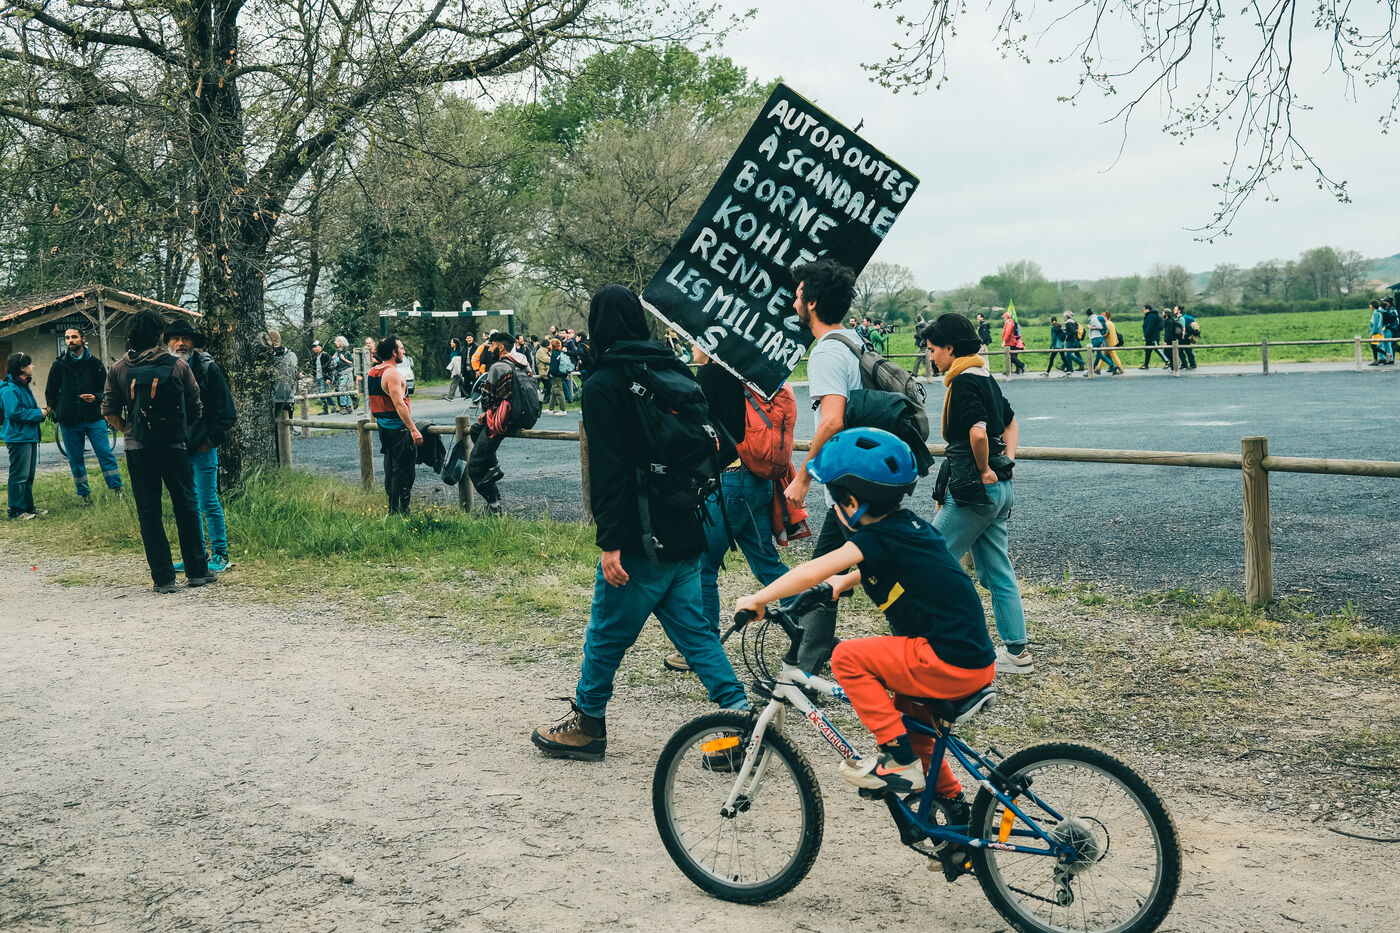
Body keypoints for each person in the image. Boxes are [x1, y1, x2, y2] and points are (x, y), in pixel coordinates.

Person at [531, 284, 749, 761]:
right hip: (687, 526)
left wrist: (611, 542)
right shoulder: (672, 369)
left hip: (640, 537)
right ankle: (740, 721)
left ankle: (588, 725)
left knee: (606, 633)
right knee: (696, 635)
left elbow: (609, 469)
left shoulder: (604, 384)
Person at [736, 427, 995, 799]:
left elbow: (813, 569)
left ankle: (898, 761)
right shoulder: (909, 527)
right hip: (969, 657)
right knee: (914, 729)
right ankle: (952, 810)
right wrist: (846, 581)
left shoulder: (875, 538)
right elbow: (904, 567)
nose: (833, 507)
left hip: (945, 660)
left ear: (852, 502)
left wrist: (759, 598)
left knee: (847, 657)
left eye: (834, 498)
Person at [665, 347, 795, 673]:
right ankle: (812, 627)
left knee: (703, 565)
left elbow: (698, 426)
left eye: (693, 341)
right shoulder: (745, 372)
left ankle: (702, 650)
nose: (690, 346)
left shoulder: (711, 373)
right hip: (756, 480)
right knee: (766, 562)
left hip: (729, 481)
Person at [923, 313, 1033, 674]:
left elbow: (978, 432)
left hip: (973, 490)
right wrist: (1007, 461)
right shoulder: (985, 376)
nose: (930, 357)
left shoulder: (964, 382)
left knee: (928, 561)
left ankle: (941, 646)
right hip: (1000, 490)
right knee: (996, 570)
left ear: (950, 348)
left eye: (933, 350)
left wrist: (985, 467)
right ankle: (1016, 652)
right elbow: (1010, 422)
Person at [783, 258, 862, 672]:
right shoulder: (853, 341)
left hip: (851, 486)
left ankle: (801, 668)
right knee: (824, 573)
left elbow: (832, 420)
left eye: (798, 295)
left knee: (881, 571)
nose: (794, 302)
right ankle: (804, 663)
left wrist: (803, 477)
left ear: (812, 303)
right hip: (857, 481)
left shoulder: (828, 352)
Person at [102, 310, 214, 592]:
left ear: (131, 335)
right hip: (173, 446)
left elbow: (108, 410)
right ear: (160, 335)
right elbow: (196, 407)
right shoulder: (178, 365)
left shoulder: (118, 369)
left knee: (149, 512)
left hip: (138, 448)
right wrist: (181, 431)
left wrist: (129, 429)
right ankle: (197, 571)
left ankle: (163, 579)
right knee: (186, 506)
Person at [165, 319, 236, 574]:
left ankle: (220, 554)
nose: (181, 343)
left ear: (193, 342)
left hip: (203, 446)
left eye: (185, 338)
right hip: (177, 448)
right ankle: (195, 555)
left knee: (207, 501)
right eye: (175, 339)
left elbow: (226, 412)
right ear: (168, 343)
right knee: (188, 505)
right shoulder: (164, 369)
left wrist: (210, 442)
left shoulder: (207, 368)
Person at [44, 327, 123, 502]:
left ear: (83, 339)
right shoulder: (58, 365)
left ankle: (117, 489)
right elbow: (50, 392)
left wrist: (96, 398)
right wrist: (56, 413)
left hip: (94, 418)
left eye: (74, 337)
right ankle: (84, 495)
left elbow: (106, 391)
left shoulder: (95, 364)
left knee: (105, 453)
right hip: (69, 420)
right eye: (67, 338)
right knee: (75, 459)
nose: (70, 340)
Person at [468, 331, 532, 513]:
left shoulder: (497, 367)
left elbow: (487, 397)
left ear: (501, 347)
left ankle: (494, 505)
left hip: (501, 421)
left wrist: (487, 413)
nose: (490, 349)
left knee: (474, 468)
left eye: (492, 346)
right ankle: (493, 466)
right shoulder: (524, 363)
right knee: (475, 430)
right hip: (521, 416)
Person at [366, 335, 423, 515]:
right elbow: (399, 404)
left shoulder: (372, 372)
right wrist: (413, 429)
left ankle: (393, 509)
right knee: (404, 470)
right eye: (401, 348)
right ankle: (401, 511)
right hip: (398, 428)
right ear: (393, 352)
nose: (403, 351)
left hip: (384, 427)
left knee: (391, 468)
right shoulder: (391, 374)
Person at [2, 352, 47, 519]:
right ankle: (16, 510)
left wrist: (39, 413)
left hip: (28, 435)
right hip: (18, 437)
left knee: (27, 475)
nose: (32, 366)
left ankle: (28, 507)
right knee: (19, 475)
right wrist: (38, 413)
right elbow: (13, 412)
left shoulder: (22, 385)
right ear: (22, 368)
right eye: (29, 364)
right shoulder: (9, 389)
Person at [268, 329, 299, 446]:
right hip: (289, 394)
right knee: (287, 422)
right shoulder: (291, 355)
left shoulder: (268, 357)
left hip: (275, 397)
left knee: (276, 428)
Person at [1088, 309, 1121, 375]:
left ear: (1106, 317)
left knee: (1112, 356)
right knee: (1101, 355)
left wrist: (1091, 328)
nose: (1102, 318)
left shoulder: (1107, 324)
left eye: (1103, 316)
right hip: (1109, 342)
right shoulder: (1111, 323)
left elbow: (1105, 333)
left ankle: (1119, 368)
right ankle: (1098, 368)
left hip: (1107, 343)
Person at [1139, 305, 1171, 369]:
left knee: (1157, 349)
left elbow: (1150, 327)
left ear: (1148, 309)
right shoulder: (1149, 315)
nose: (1144, 310)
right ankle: (1146, 364)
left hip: (1153, 337)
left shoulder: (1151, 316)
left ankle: (1167, 361)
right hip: (1150, 337)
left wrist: (1145, 336)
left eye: (1144, 309)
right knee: (1147, 350)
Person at [309, 339, 334, 414]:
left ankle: (325, 409)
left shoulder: (325, 356)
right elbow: (313, 368)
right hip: (317, 377)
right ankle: (333, 404)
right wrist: (314, 376)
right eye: (313, 347)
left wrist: (329, 378)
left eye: (315, 347)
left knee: (322, 392)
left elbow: (330, 367)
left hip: (324, 377)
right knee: (320, 393)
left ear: (320, 347)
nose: (314, 348)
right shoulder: (314, 357)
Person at [332, 336, 356, 413]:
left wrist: (344, 359)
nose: (335, 342)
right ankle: (349, 406)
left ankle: (343, 406)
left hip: (346, 372)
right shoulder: (337, 352)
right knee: (345, 389)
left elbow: (353, 362)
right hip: (339, 373)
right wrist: (333, 358)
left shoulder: (346, 352)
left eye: (336, 341)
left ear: (341, 342)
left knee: (342, 389)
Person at [545, 337, 568, 413]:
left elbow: (553, 366)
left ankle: (563, 410)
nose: (549, 345)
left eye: (550, 344)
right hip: (561, 374)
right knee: (553, 392)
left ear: (553, 345)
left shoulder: (554, 353)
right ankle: (550, 408)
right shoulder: (560, 352)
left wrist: (550, 374)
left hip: (556, 376)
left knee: (558, 392)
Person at [1161, 307, 1185, 372]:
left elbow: (1168, 332)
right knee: (1170, 353)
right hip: (1173, 339)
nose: (1162, 314)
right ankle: (1173, 366)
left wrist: (1165, 341)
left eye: (1163, 312)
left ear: (1166, 314)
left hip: (1170, 340)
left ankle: (1173, 367)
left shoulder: (1169, 321)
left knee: (1168, 353)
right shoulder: (1171, 320)